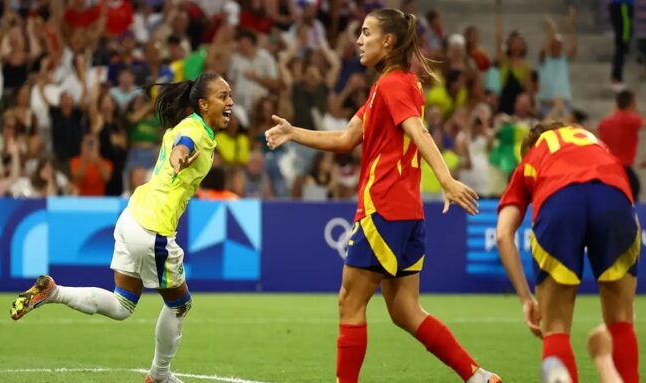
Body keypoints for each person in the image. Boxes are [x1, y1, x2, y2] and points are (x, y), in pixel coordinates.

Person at [265, 8, 501, 383]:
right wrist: (295, 132)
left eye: (366, 32)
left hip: (384, 208)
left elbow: (419, 132)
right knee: (406, 310)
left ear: (388, 41)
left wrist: (446, 179)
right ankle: (477, 376)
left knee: (350, 301)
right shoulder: (391, 86)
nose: (359, 40)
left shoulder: (392, 86)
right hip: (406, 212)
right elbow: (345, 139)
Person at [9, 72, 235, 383]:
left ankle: (53, 292)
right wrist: (178, 159)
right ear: (202, 103)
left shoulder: (194, 128)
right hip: (154, 228)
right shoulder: (193, 130)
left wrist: (178, 157)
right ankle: (160, 375)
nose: (230, 102)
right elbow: (182, 148)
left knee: (122, 305)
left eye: (230, 95)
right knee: (180, 305)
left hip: (132, 217)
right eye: (223, 96)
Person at [496, 121, 639, 383]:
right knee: (621, 320)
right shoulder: (595, 144)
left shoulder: (531, 158)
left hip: (558, 199)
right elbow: (634, 220)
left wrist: (527, 299)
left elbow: (503, 234)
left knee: (555, 328)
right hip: (614, 196)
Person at [597, 90, 643, 201]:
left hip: (606, 170)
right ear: (632, 103)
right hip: (624, 171)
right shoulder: (632, 120)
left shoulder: (604, 123)